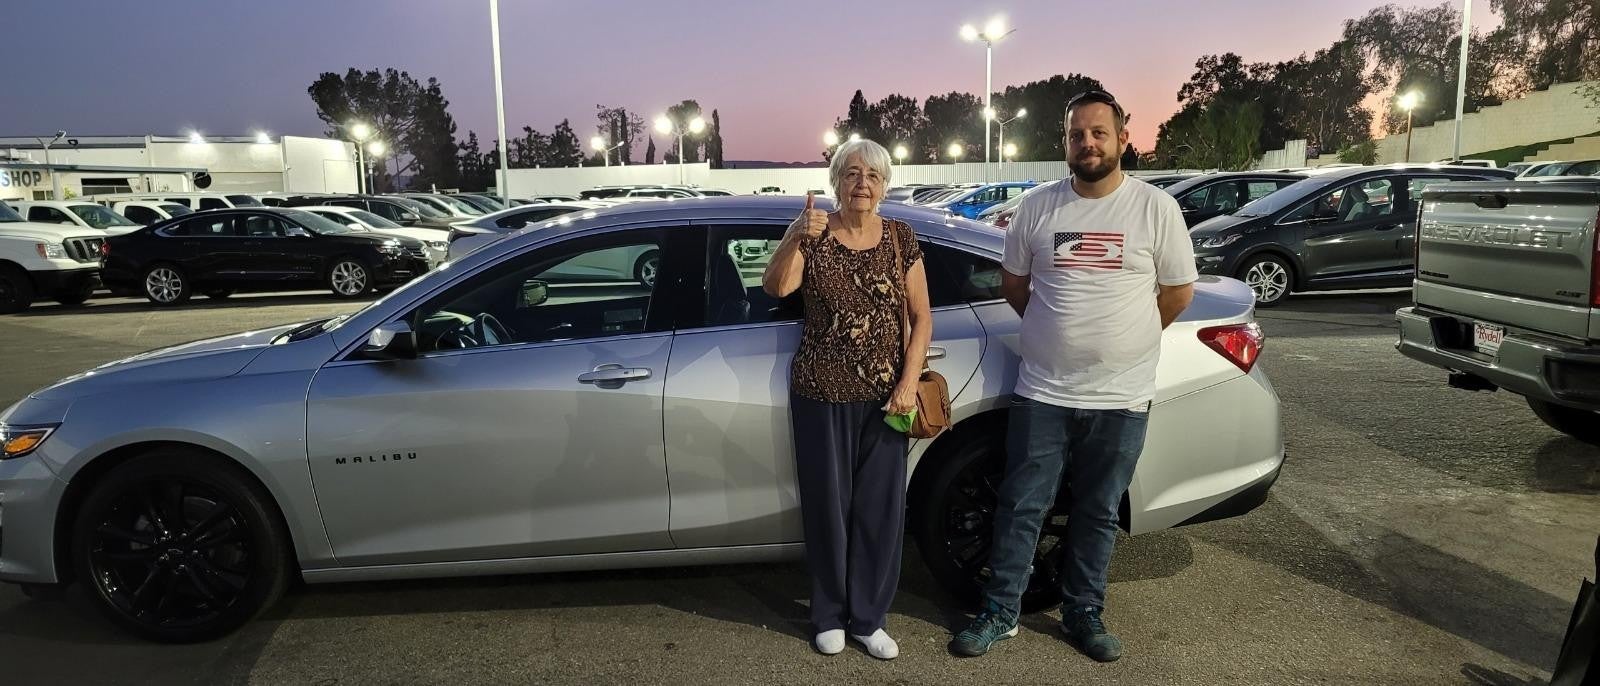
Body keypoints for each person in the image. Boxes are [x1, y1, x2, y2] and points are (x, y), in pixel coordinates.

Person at [950, 89, 1198, 662]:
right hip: (1043, 390)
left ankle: (1083, 612)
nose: (1087, 143)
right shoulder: (1038, 207)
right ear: (1064, 142)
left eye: (1098, 133)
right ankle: (1000, 611)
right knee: (1020, 504)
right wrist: (1056, 333)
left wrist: (1127, 342)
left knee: (1097, 509)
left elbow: (1178, 293)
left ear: (1122, 138)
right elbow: (1015, 286)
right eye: (1076, 134)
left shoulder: (1156, 208)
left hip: (1122, 395)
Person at [761, 139, 933, 660]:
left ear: (885, 185)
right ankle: (829, 614)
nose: (863, 183)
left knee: (881, 511)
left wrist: (907, 383)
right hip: (820, 391)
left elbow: (922, 318)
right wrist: (794, 236)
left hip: (889, 399)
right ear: (836, 180)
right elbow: (776, 288)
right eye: (853, 173)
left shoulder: (901, 237)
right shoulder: (814, 234)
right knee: (828, 508)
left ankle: (869, 617)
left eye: (874, 176)